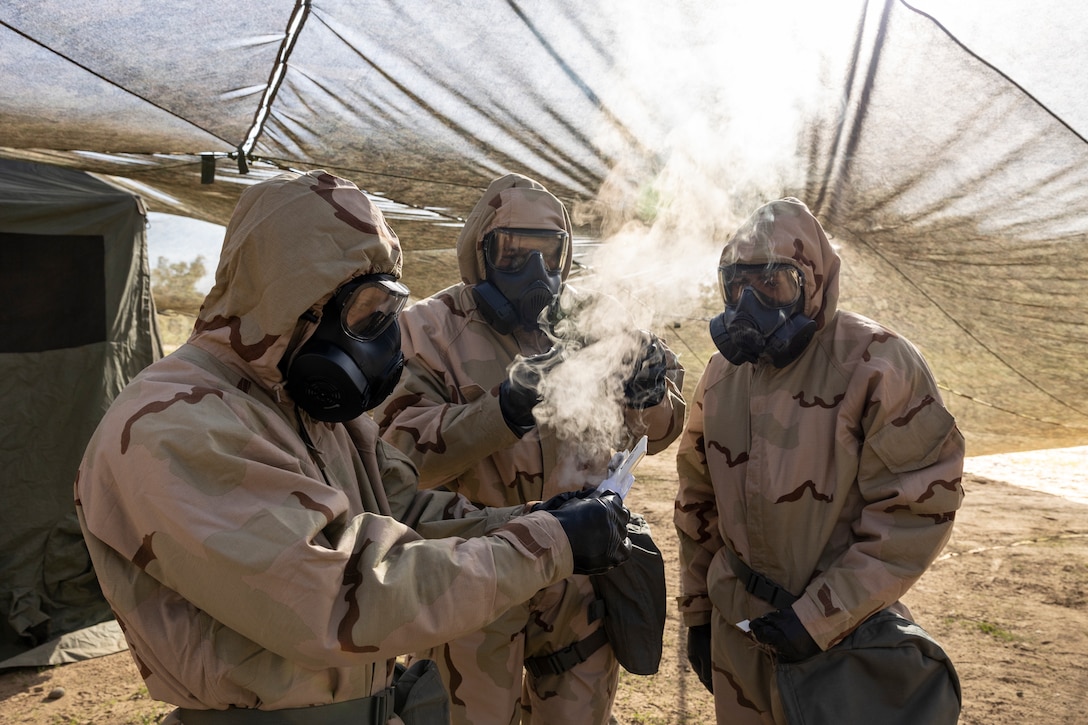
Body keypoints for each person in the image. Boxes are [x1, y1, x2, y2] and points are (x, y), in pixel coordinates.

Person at [74, 169, 633, 724]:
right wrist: (547, 545)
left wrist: (544, 518)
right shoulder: (175, 424)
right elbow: (340, 596)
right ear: (293, 298)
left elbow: (405, 513)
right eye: (365, 315)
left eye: (389, 313)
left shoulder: (304, 405)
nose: (385, 340)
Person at [377, 173, 686, 724]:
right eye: (514, 253)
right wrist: (505, 409)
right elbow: (397, 456)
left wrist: (649, 394)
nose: (536, 273)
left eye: (549, 252)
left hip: (579, 577)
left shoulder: (593, 319)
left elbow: (658, 432)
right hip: (478, 573)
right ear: (480, 253)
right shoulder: (426, 330)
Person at [674, 198, 965, 724]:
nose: (749, 304)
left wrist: (819, 618)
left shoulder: (877, 362)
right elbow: (698, 500)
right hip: (738, 631)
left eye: (774, 284)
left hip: (840, 640)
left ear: (815, 281)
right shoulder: (721, 374)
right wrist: (698, 612)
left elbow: (915, 511)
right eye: (737, 285)